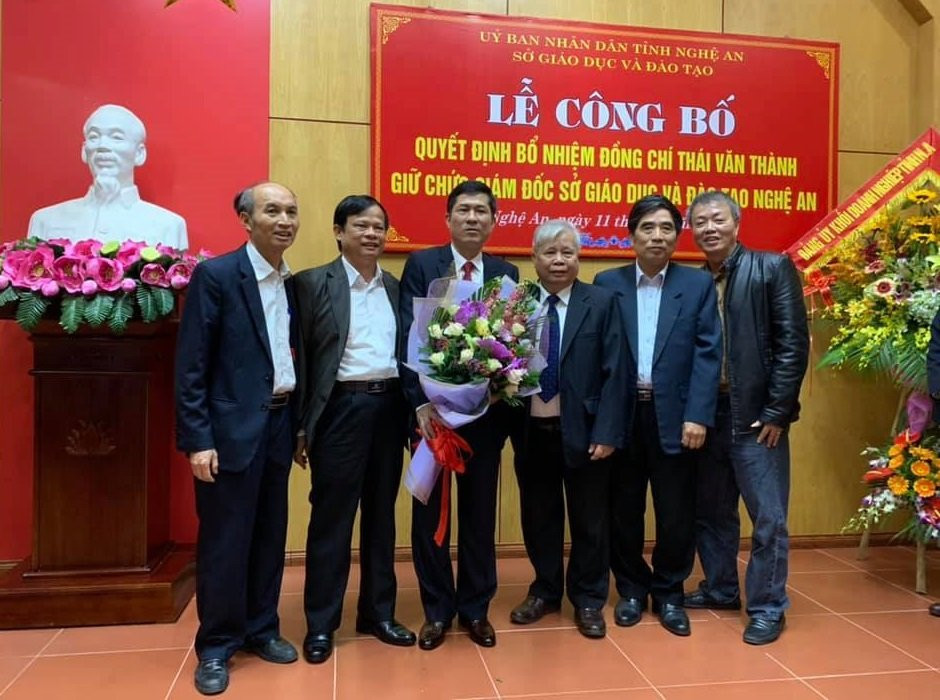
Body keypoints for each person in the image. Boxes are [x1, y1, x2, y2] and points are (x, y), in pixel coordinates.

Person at [175, 182, 299, 695]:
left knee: (270, 534)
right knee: (226, 542)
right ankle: (216, 645)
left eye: (291, 211)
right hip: (228, 434)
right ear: (246, 220)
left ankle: (261, 628)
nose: (285, 220)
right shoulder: (218, 276)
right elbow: (191, 366)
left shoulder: (291, 283)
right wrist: (198, 439)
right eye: (273, 211)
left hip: (280, 425)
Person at [292, 195, 415, 664]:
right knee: (332, 520)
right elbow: (300, 361)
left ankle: (378, 614)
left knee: (382, 517)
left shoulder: (395, 287)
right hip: (340, 410)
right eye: (361, 225)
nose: (371, 234)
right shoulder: (311, 284)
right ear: (339, 232)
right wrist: (301, 427)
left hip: (390, 409)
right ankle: (321, 624)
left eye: (379, 227)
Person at [685, 190, 809, 645]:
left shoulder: (771, 268)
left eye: (717, 219)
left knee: (768, 517)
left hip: (758, 418)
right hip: (709, 415)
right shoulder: (696, 282)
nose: (709, 228)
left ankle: (768, 606)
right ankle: (720, 588)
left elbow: (793, 344)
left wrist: (778, 410)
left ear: (736, 224)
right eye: (700, 222)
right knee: (712, 511)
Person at [594, 194, 721, 638]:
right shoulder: (607, 283)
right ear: (631, 235)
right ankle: (631, 589)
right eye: (647, 228)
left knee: (676, 512)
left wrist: (698, 415)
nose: (657, 236)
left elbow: (708, 353)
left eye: (667, 228)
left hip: (678, 417)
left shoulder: (697, 284)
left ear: (677, 235)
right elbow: (600, 357)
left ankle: (669, 592)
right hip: (624, 416)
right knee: (623, 509)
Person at [399, 180, 518, 650]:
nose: (472, 218)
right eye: (464, 210)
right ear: (448, 218)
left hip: (483, 418)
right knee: (429, 515)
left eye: (481, 211)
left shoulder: (506, 272)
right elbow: (408, 337)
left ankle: (475, 609)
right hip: (431, 416)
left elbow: (513, 342)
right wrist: (421, 402)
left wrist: (499, 389)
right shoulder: (422, 264)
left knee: (479, 515)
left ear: (493, 220)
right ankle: (436, 610)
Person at [509, 220, 626, 639]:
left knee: (590, 519)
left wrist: (607, 432)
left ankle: (589, 598)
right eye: (550, 253)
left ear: (579, 258)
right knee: (539, 516)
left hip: (587, 433)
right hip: (531, 431)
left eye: (568, 253)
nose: (559, 260)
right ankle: (545, 590)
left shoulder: (602, 302)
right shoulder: (516, 303)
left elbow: (617, 371)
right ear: (534, 258)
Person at [28, 104, 188, 248]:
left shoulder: (168, 226)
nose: (102, 146)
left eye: (116, 137)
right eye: (94, 137)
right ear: (84, 151)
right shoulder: (45, 221)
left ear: (139, 154)